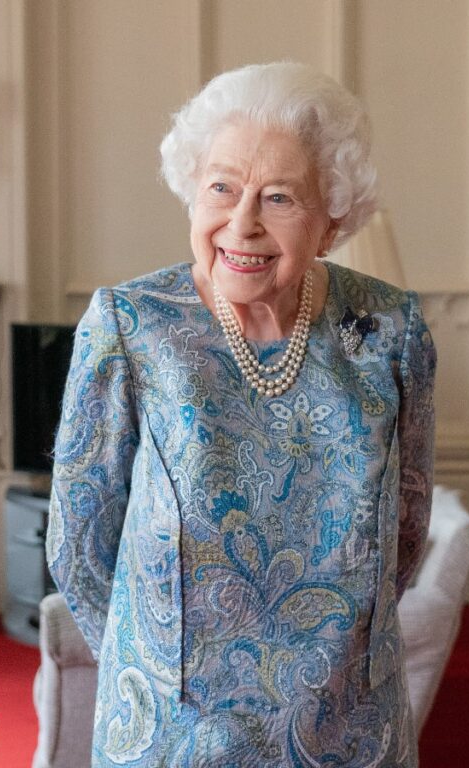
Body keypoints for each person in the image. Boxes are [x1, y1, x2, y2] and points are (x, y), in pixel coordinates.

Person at [48, 61, 436, 767]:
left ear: (332, 220)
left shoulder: (390, 330)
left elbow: (406, 532)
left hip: (347, 727)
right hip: (173, 733)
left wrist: (339, 662)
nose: (243, 221)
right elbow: (79, 543)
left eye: (280, 197)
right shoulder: (131, 327)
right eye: (221, 187)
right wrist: (158, 666)